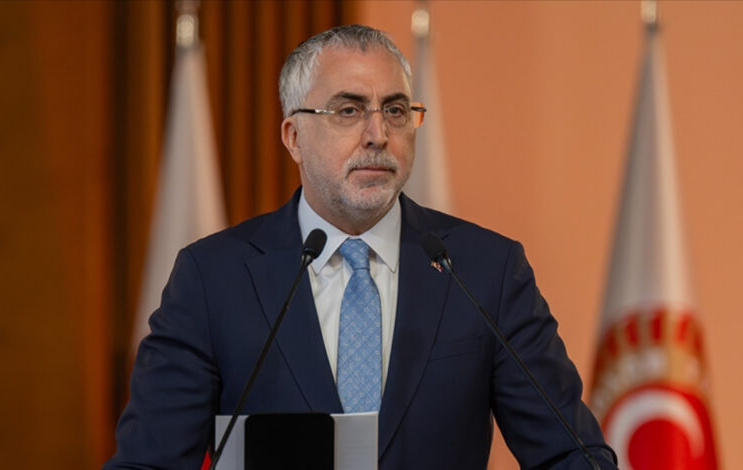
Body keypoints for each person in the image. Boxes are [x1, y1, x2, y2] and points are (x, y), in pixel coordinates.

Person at [105, 25, 617, 469]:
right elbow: (147, 463)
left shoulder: (486, 270)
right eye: (348, 110)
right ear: (294, 137)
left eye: (395, 110)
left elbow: (573, 456)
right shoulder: (213, 278)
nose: (378, 134)